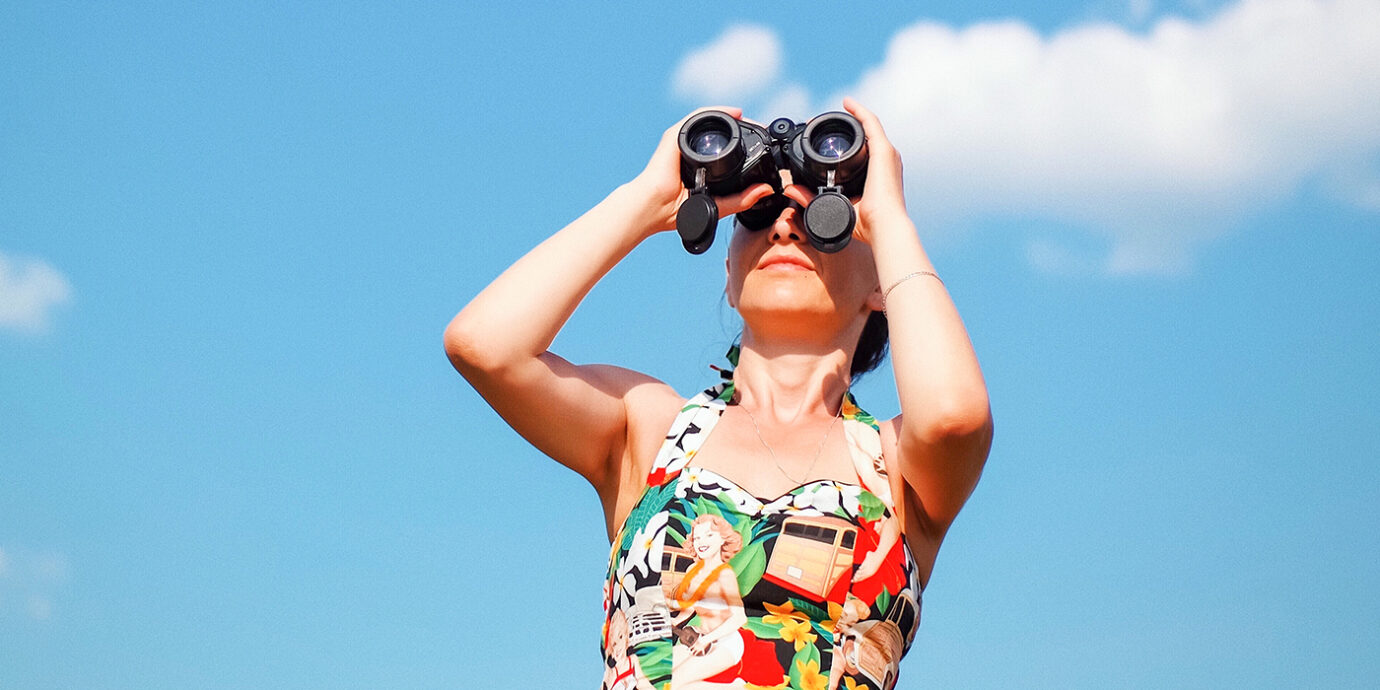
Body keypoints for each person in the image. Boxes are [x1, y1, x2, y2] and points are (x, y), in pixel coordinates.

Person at [444, 98, 992, 689]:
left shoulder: (896, 465)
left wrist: (890, 221)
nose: (785, 225)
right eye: (758, 214)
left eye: (817, 217)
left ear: (885, 282)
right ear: (728, 276)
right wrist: (645, 202)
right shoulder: (651, 430)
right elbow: (484, 346)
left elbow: (955, 417)